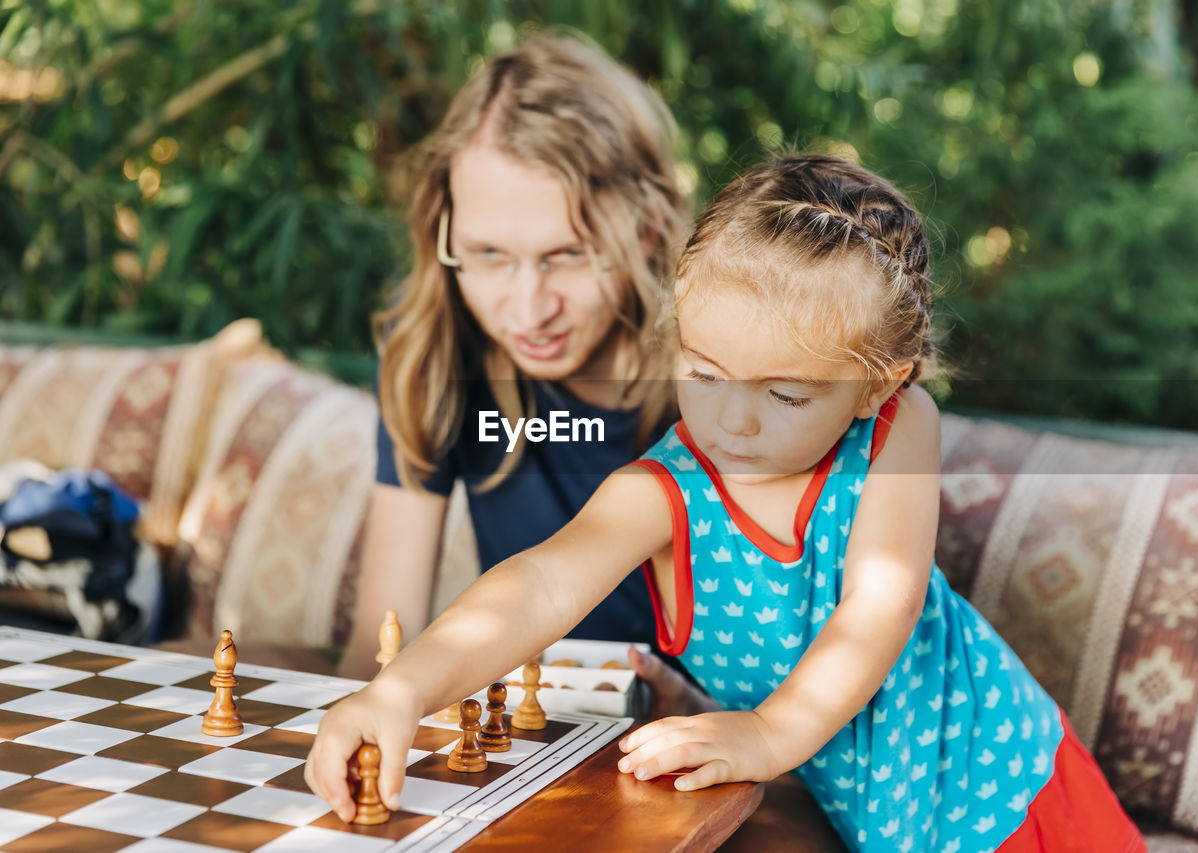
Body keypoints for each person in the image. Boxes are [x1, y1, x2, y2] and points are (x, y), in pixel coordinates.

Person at [307, 154, 1143, 851]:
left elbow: (878, 610)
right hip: (878, 828)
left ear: (875, 385)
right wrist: (401, 690)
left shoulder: (898, 425)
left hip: (1014, 789)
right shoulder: (660, 493)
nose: (732, 422)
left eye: (785, 394)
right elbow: (538, 587)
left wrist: (768, 735)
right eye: (703, 375)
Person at [336, 31, 686, 683]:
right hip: (543, 732)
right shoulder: (434, 345)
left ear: (647, 224)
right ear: (443, 226)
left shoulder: (726, 363)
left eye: (568, 254)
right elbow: (385, 635)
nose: (528, 312)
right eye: (490, 255)